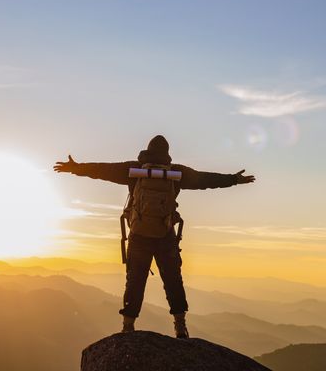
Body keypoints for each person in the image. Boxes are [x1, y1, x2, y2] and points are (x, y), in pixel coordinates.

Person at [53, 135, 255, 338]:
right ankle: (180, 325)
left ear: (147, 150)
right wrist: (234, 179)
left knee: (135, 282)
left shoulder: (134, 170)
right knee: (173, 280)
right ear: (167, 153)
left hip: (139, 236)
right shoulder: (176, 173)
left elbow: (103, 170)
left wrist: (76, 167)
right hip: (165, 235)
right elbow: (206, 180)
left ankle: (128, 325)